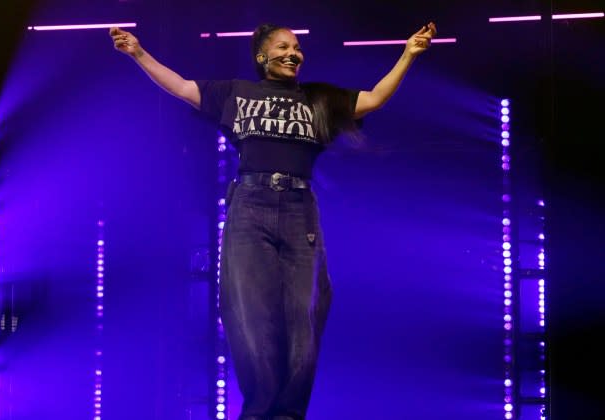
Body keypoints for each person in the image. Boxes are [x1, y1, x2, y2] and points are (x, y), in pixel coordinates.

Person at [110, 21, 436, 420]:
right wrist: (139, 53)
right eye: (283, 46)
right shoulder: (237, 93)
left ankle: (288, 414)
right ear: (262, 56)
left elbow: (373, 99)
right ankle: (258, 410)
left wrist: (408, 54)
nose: (293, 53)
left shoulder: (318, 98)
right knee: (250, 312)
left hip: (300, 210)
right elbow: (180, 86)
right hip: (250, 206)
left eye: (297, 47)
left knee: (306, 313)